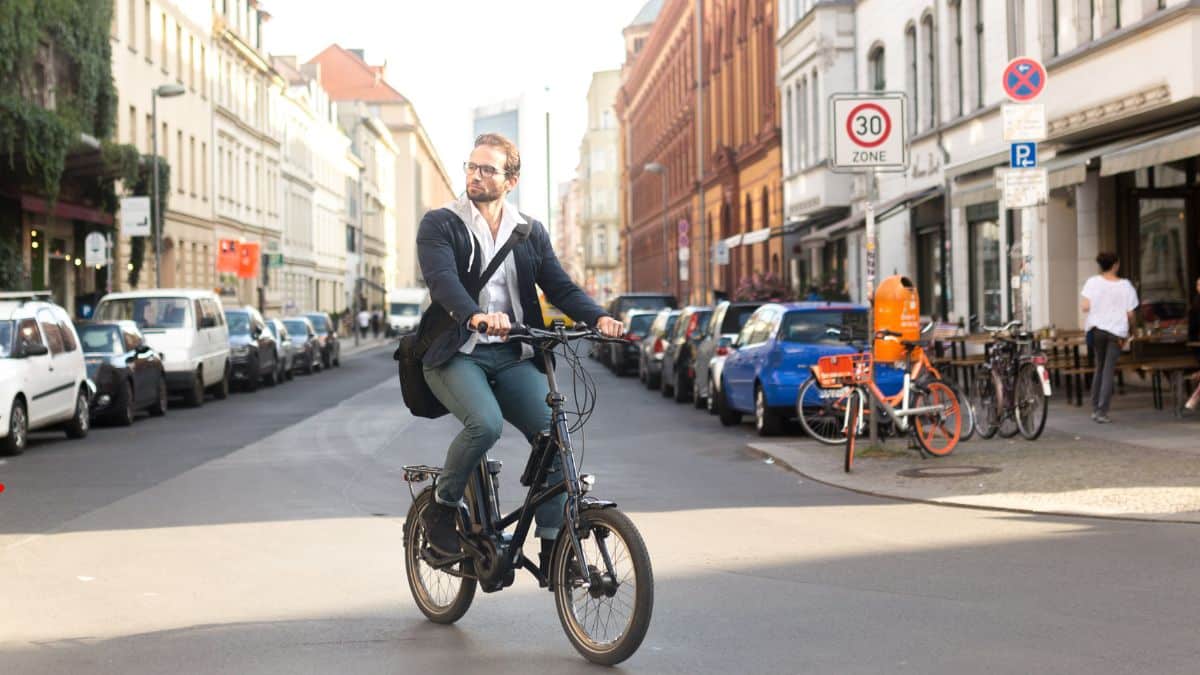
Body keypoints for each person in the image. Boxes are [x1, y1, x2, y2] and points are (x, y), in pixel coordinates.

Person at [416, 133, 623, 570]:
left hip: (513, 353)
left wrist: (598, 316)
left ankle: (554, 545)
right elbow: (443, 282)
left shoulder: (528, 231)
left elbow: (559, 285)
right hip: (458, 352)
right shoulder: (441, 224)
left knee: (554, 438)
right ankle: (442, 506)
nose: (475, 175)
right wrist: (474, 315)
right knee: (485, 425)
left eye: (487, 169)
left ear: (510, 179)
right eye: (471, 167)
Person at [1080, 252, 1139, 423]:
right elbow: (1130, 314)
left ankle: (1095, 407)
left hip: (1097, 330)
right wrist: (1133, 331)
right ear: (1115, 265)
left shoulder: (1092, 282)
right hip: (1116, 332)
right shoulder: (1126, 286)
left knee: (1100, 367)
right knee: (1108, 369)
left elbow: (1085, 306)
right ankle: (1102, 411)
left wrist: (1099, 305)